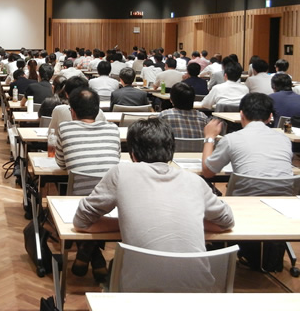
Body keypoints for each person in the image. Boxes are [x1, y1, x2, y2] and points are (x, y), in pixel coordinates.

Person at [73, 118, 234, 289]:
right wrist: (182, 221)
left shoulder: (121, 173)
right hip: (199, 295)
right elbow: (226, 222)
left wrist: (131, 223)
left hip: (139, 293)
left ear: (132, 153)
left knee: (115, 266)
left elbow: (81, 221)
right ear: (172, 150)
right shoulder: (194, 181)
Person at [55, 88, 121, 282]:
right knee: (99, 204)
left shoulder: (65, 128)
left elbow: (61, 163)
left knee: (83, 200)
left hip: (78, 201)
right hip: (111, 200)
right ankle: (95, 257)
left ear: (72, 111)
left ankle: (86, 253)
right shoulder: (112, 129)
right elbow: (115, 160)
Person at [202, 93, 293, 194]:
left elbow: (207, 172)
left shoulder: (231, 139)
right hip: (284, 201)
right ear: (270, 117)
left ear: (241, 114)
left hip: (244, 201)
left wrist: (209, 137)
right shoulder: (285, 140)